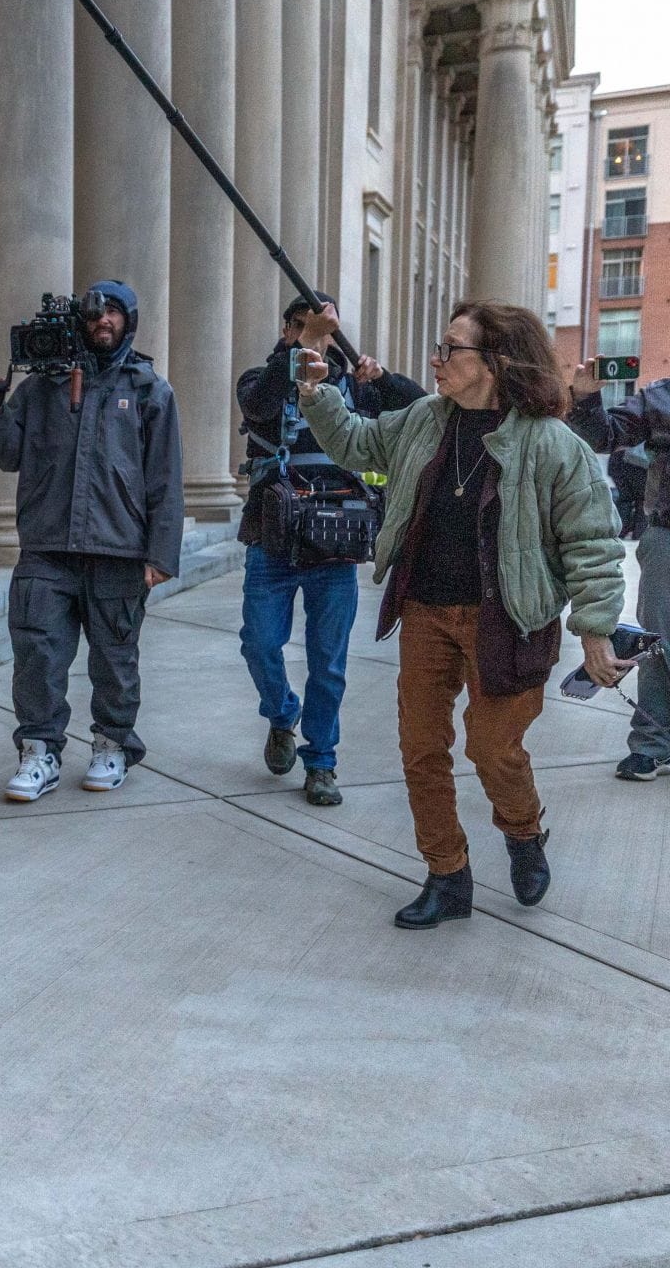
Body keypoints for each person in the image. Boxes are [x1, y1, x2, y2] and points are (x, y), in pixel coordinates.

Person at [295, 301, 630, 929]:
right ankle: (447, 875)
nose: (436, 360)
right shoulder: (426, 417)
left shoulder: (552, 443)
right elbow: (358, 442)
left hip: (507, 620)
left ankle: (523, 831)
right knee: (421, 750)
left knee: (493, 748)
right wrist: (318, 393)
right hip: (425, 609)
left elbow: (593, 543)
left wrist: (595, 631)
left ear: (496, 361)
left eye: (451, 349)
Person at [0, 280, 183, 801]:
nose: (103, 322)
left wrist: (160, 554)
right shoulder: (41, 388)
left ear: (128, 321)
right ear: (81, 322)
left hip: (119, 550)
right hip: (47, 547)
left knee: (115, 659)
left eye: (113, 313)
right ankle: (40, 751)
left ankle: (112, 744)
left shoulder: (148, 390)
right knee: (37, 656)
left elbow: (165, 478)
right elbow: (8, 456)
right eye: (95, 314)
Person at [235, 295, 425, 807]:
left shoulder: (352, 388)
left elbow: (418, 410)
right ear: (287, 327)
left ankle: (321, 760)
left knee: (329, 661)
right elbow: (259, 405)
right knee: (259, 642)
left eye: (321, 328)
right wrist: (304, 348)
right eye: (300, 326)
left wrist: (380, 380)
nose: (310, 335)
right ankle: (281, 714)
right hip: (272, 540)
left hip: (335, 541)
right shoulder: (264, 376)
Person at [566, 368, 670, 782]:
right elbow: (602, 436)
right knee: (660, 642)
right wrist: (588, 398)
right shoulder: (661, 398)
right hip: (667, 535)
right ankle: (652, 745)